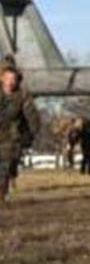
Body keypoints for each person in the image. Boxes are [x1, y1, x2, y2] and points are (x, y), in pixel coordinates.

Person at [0, 60, 39, 202]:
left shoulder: (23, 96)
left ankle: (1, 195)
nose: (11, 82)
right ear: (1, 78)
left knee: (4, 167)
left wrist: (30, 135)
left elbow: (33, 117)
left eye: (14, 79)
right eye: (8, 78)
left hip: (11, 137)